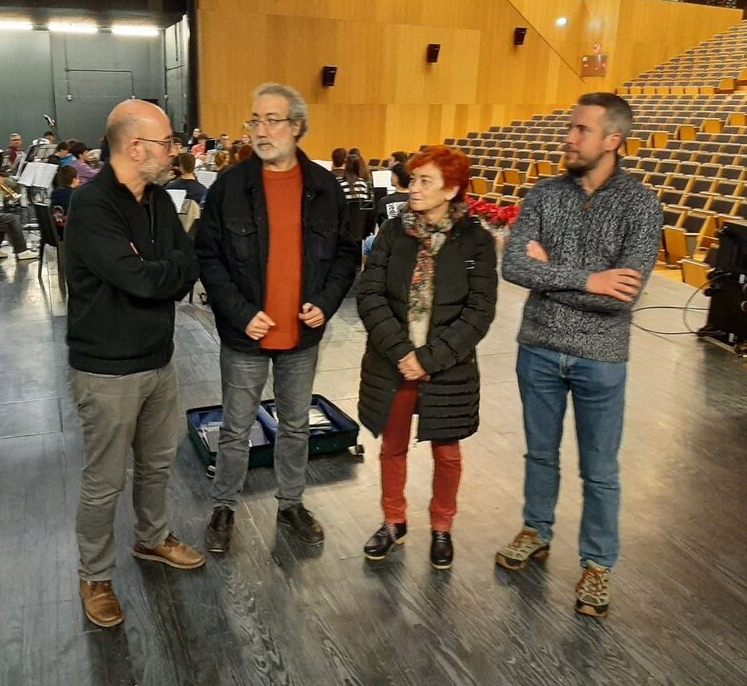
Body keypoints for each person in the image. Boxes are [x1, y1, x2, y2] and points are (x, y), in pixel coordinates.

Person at [495, 93, 662, 619]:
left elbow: (625, 294)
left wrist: (550, 275)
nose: (568, 137)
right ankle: (536, 530)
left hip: (601, 357)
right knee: (540, 453)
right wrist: (589, 278)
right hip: (539, 349)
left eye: (581, 130)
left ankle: (597, 563)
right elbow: (515, 268)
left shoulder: (640, 204)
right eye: (570, 127)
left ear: (612, 140)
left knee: (600, 468)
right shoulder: (545, 193)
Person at [195, 82, 357, 553]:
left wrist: (325, 302)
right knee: (235, 426)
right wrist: (242, 313)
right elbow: (209, 256)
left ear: (298, 126)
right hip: (246, 334)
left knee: (295, 424)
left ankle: (291, 504)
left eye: (272, 120)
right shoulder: (229, 186)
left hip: (302, 335)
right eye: (255, 120)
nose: (260, 131)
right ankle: (223, 506)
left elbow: (347, 255)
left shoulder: (326, 188)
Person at [64, 99, 204, 629]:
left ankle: (151, 540)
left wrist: (160, 268)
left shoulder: (159, 202)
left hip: (158, 360)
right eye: (167, 142)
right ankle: (95, 575)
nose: (176, 150)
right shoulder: (93, 206)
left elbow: (180, 267)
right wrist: (160, 269)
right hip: (106, 369)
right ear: (135, 147)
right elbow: (144, 279)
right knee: (104, 480)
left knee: (157, 463)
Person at [356, 146, 497, 567]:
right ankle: (393, 522)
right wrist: (402, 352)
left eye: (424, 181)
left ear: (451, 189)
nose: (412, 188)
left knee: (447, 453)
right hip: (393, 362)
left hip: (448, 367)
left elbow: (479, 312)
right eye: (413, 179)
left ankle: (442, 527)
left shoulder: (477, 242)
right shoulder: (392, 233)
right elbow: (370, 294)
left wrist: (429, 358)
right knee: (392, 447)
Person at [373, 163, 410, 228]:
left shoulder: (384, 201)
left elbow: (378, 225)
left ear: (396, 178)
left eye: (392, 174)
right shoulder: (415, 200)